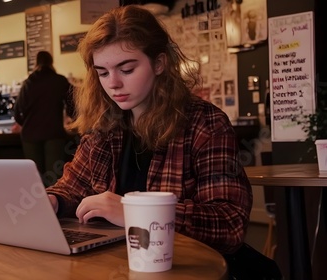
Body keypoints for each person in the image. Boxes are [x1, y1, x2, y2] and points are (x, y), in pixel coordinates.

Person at [45, 5, 253, 255]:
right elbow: (71, 187)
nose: (113, 84)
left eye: (127, 69)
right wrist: (53, 201)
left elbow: (229, 223)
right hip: (117, 261)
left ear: (159, 63)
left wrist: (134, 212)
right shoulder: (105, 126)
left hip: (183, 265)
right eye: (102, 73)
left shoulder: (205, 124)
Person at [14, 51, 75, 186]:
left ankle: (37, 206)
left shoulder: (28, 83)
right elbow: (73, 107)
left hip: (30, 135)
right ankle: (54, 206)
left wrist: (28, 123)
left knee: (34, 179)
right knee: (55, 179)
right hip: (54, 134)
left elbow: (17, 113)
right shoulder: (59, 81)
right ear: (51, 62)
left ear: (36, 62)